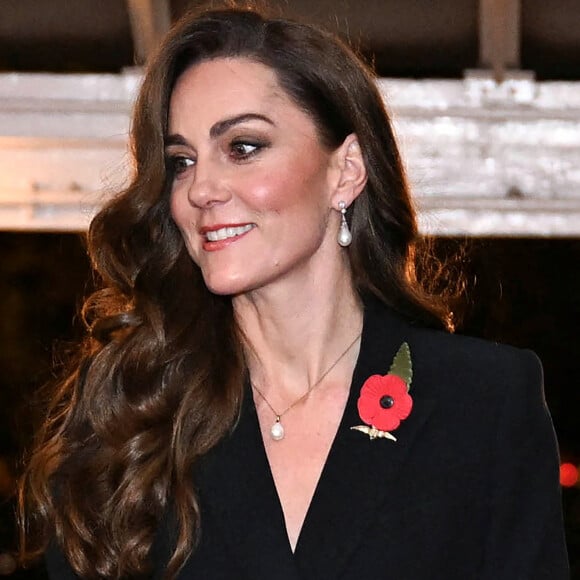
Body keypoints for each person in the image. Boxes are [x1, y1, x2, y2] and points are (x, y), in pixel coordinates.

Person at [19, 5, 568, 579]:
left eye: (243, 147)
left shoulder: (482, 402)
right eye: (181, 161)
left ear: (346, 170)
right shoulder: (131, 405)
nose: (201, 188)